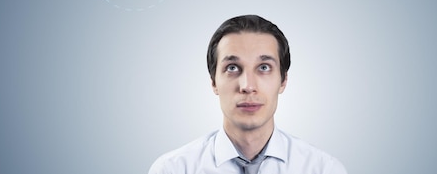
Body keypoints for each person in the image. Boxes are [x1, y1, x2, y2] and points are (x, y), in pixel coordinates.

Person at [148, 14, 348, 174]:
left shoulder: (323, 169)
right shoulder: (173, 169)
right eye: (233, 68)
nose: (248, 86)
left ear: (283, 80)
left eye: (263, 67)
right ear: (213, 82)